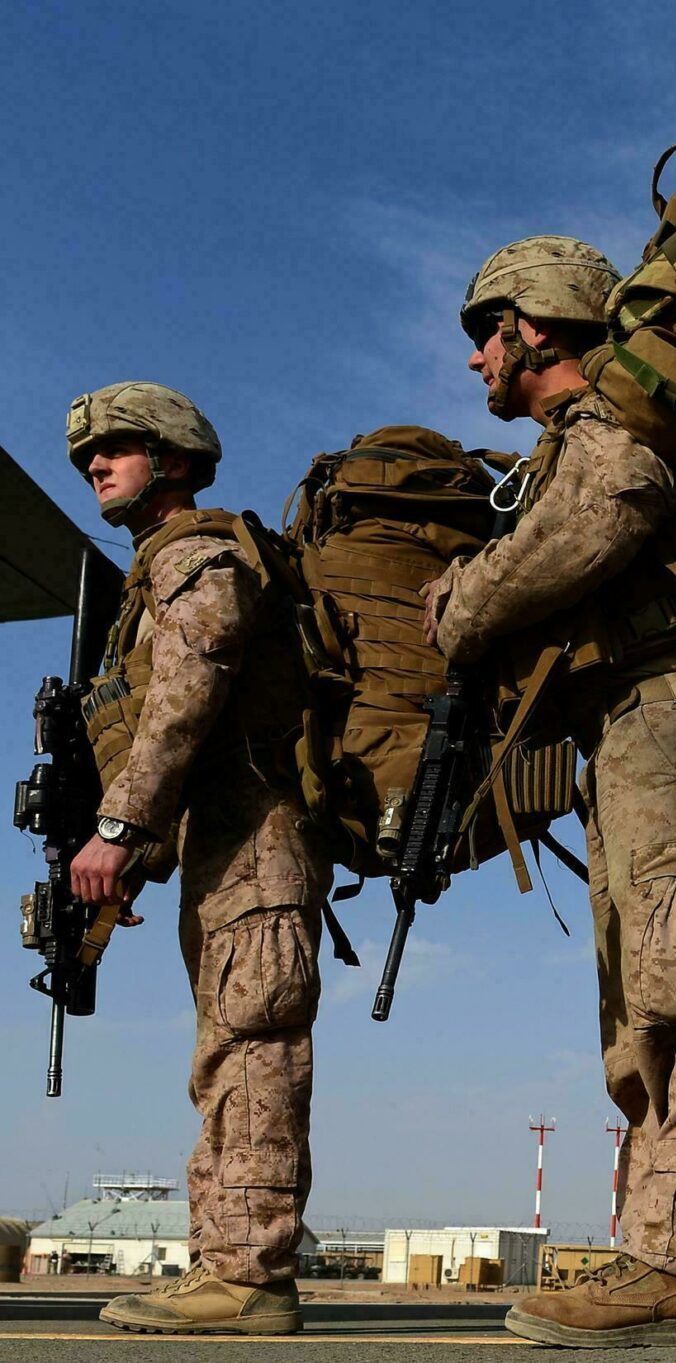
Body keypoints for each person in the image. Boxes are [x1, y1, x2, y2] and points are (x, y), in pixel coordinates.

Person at [423, 236, 676, 1349]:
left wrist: (466, 600)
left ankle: (675, 1265)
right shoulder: (569, 442)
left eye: (486, 332)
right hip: (627, 737)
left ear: (535, 326)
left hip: (674, 725)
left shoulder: (614, 429)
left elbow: (609, 505)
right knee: (642, 1004)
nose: (475, 358)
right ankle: (651, 1253)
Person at [67, 383, 329, 1336]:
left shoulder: (198, 556)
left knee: (253, 1052)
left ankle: (251, 1275)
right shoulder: (158, 569)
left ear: (173, 459)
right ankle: (225, 1263)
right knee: (227, 1056)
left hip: (257, 843)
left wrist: (119, 828)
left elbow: (188, 695)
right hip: (225, 847)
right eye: (87, 456)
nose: (95, 465)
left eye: (116, 447)